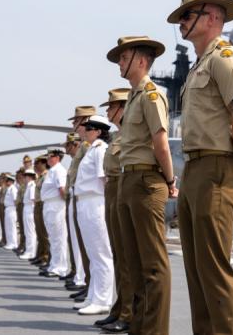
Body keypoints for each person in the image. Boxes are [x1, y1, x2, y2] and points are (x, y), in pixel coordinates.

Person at [167, 0, 233, 334]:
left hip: (218, 169)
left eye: (188, 16)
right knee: (197, 272)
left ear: (214, 17)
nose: (182, 22)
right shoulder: (199, 66)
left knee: (215, 272)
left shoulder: (225, 58)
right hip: (194, 170)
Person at [106, 36, 176, 335]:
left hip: (146, 181)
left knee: (153, 266)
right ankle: (138, 326)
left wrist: (170, 181)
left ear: (142, 61)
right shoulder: (134, 97)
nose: (120, 63)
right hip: (129, 179)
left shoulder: (150, 95)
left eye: (124, 58)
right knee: (133, 263)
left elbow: (161, 143)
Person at [95, 88, 132, 333]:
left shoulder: (131, 134)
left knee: (126, 256)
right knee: (118, 253)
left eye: (111, 107)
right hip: (112, 191)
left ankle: (128, 312)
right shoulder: (118, 136)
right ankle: (119, 308)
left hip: (122, 188)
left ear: (122, 108)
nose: (107, 111)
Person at [73, 115, 114, 316]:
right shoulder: (91, 149)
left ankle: (103, 300)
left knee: (101, 253)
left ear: (98, 131)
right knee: (92, 253)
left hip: (95, 203)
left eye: (89, 128)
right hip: (85, 202)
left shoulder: (100, 149)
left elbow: (104, 178)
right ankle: (93, 296)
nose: (85, 131)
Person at [64, 131, 89, 298]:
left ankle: (82, 278)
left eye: (68, 145)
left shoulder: (89, 149)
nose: (66, 148)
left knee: (86, 244)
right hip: (76, 196)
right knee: (76, 240)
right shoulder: (77, 157)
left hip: (86, 197)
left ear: (75, 144)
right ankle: (80, 276)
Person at [40, 147, 69, 278]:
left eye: (50, 156)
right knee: (53, 237)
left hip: (56, 205)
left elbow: (62, 190)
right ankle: (54, 265)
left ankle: (60, 268)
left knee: (59, 238)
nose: (48, 158)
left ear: (57, 157)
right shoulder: (52, 170)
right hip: (49, 205)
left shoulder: (59, 170)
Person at [31, 155, 51, 268]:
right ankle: (41, 254)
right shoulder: (40, 177)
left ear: (44, 164)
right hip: (38, 205)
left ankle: (46, 257)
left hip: (42, 204)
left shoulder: (46, 175)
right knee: (40, 232)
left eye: (37, 164)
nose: (35, 166)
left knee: (44, 233)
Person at [20, 168, 38, 260]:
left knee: (30, 232)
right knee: (28, 231)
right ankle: (29, 250)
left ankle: (31, 252)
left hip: (30, 209)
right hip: (27, 208)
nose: (24, 178)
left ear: (29, 177)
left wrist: (32, 212)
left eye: (25, 176)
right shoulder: (28, 186)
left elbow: (33, 200)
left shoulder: (32, 186)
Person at [3, 173, 19, 250]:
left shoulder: (13, 189)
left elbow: (15, 200)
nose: (6, 182)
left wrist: (16, 210)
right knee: (8, 227)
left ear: (11, 181)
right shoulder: (9, 188)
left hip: (12, 209)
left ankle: (14, 243)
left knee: (12, 227)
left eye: (7, 181)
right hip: (8, 209)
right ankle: (9, 243)